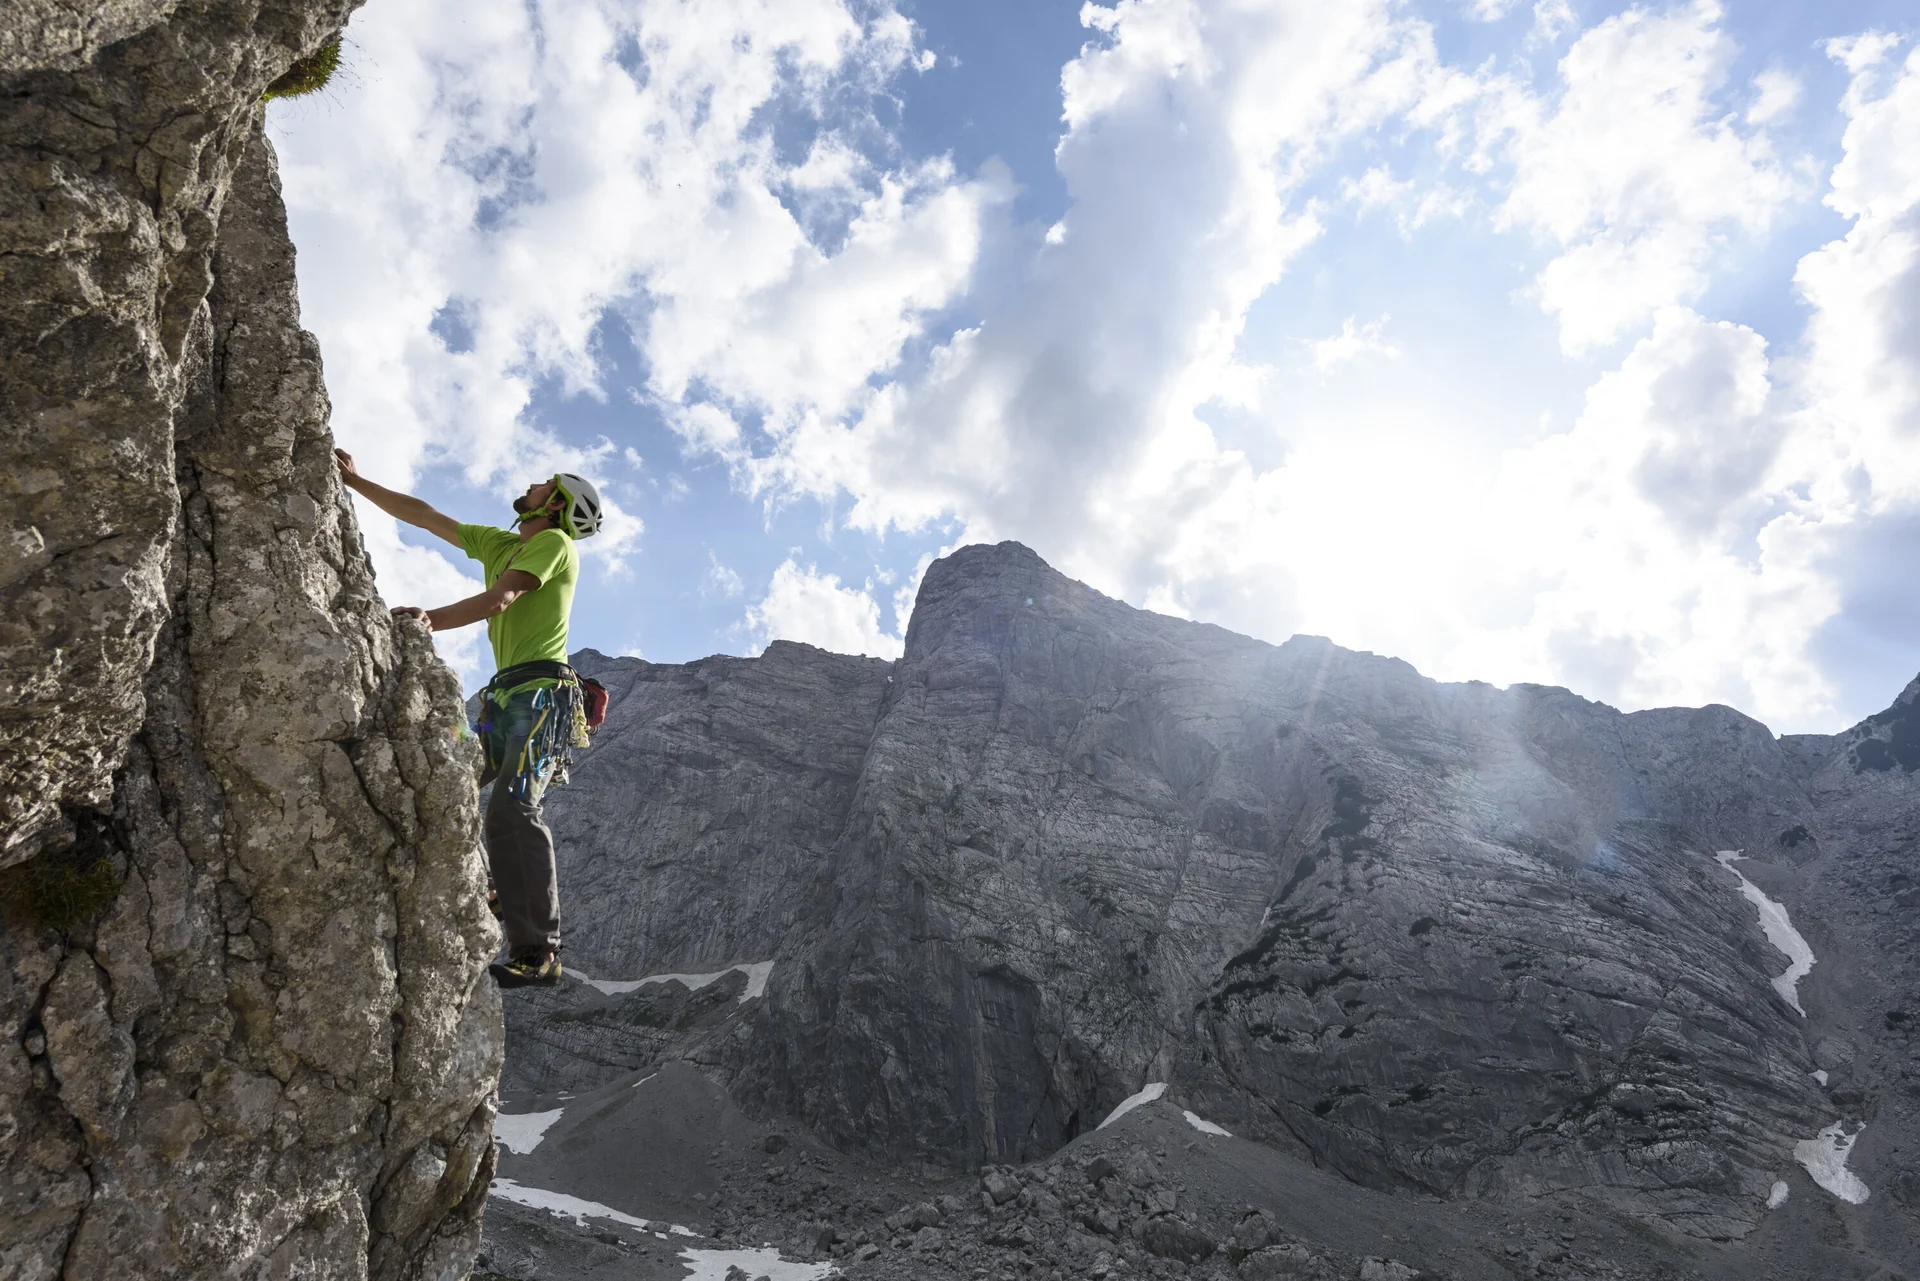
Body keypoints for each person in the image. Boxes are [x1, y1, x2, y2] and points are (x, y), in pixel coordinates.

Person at [335, 448, 602, 988]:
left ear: (555, 505)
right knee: (445, 777)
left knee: (513, 806)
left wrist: (430, 619)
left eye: (545, 483)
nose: (533, 483)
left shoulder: (554, 543)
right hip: (503, 701)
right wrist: (356, 482)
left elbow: (502, 598)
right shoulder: (500, 544)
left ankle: (540, 950)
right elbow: (426, 516)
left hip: (543, 700)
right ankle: (494, 886)